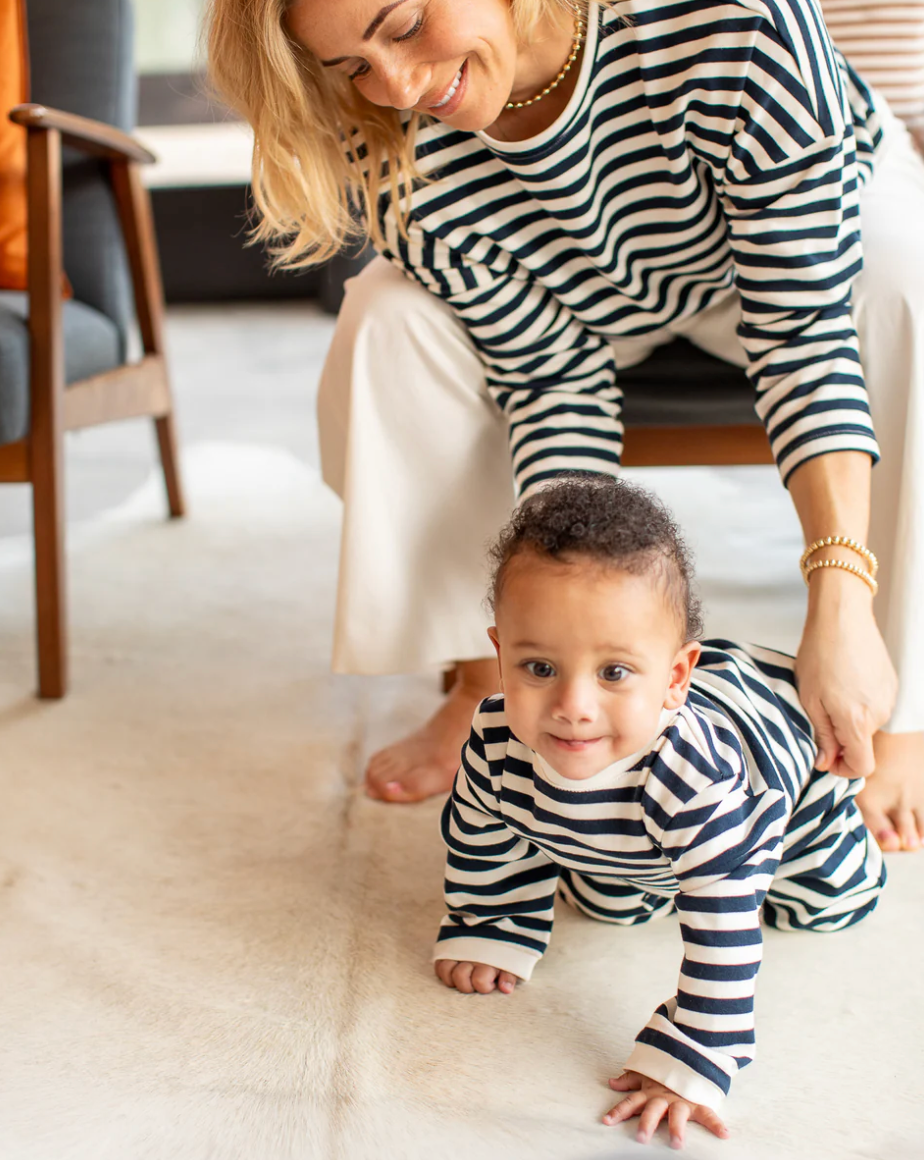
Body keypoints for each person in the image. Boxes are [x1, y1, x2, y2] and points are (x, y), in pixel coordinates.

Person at [205, 0, 924, 848]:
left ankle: (900, 699)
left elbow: (802, 332)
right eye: (353, 65)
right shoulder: (388, 139)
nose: (395, 85)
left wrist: (835, 597)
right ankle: (488, 685)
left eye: (401, 26)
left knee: (906, 289)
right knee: (383, 319)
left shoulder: (736, 22)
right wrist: (570, 631)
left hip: (803, 243)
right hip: (586, 290)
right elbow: (550, 375)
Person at [433, 474, 885, 1149]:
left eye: (614, 672)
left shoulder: (694, 778)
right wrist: (492, 921)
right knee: (613, 901)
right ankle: (648, 869)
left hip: (785, 790)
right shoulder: (498, 734)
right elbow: (486, 835)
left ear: (676, 679)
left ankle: (836, 846)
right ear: (501, 655)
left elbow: (723, 932)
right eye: (539, 668)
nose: (573, 705)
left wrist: (691, 1060)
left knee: (823, 903)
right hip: (649, 839)